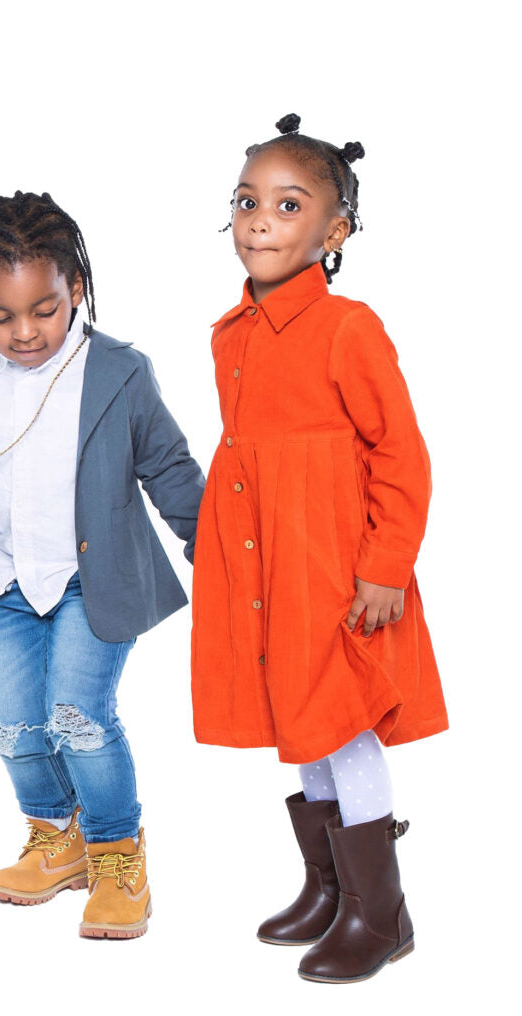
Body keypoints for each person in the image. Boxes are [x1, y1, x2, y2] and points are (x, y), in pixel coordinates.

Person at [0, 192, 204, 939]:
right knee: (12, 728)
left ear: (76, 287)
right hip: (7, 582)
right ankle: (57, 836)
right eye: (0, 315)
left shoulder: (119, 372)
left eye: (43, 309)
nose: (23, 332)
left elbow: (168, 467)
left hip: (91, 583)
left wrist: (216, 547)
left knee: (79, 719)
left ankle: (116, 854)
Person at [192, 114, 446, 983]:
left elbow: (400, 454)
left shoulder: (348, 328)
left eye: (287, 205)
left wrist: (383, 567)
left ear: (333, 233)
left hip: (332, 564)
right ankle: (329, 885)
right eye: (246, 201)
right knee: (297, 718)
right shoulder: (230, 333)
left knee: (342, 720)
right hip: (265, 565)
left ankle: (384, 911)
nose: (259, 220)